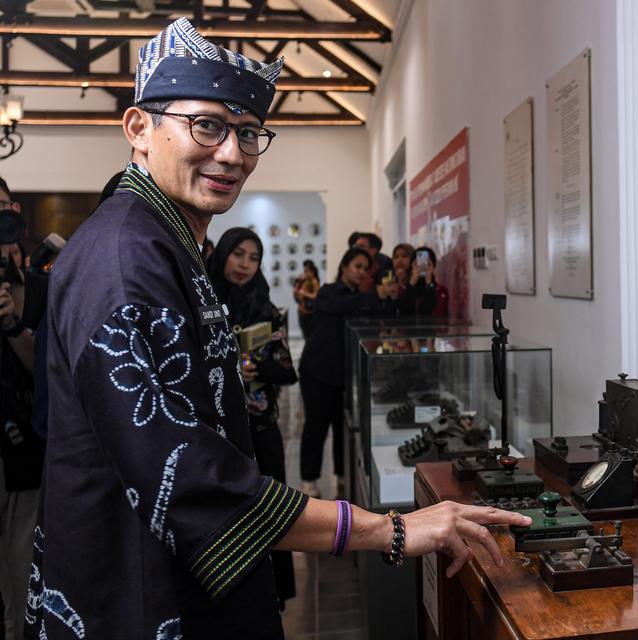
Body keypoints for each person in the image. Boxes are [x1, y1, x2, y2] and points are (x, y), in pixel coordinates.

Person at [28, 18, 529, 640]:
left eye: (247, 133)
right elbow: (184, 477)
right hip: (139, 594)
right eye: (206, 125)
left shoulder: (164, 241)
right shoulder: (125, 258)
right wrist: (392, 529)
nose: (233, 154)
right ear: (139, 128)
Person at [208, 227, 299, 611]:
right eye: (237, 254)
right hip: (214, 432)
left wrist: (253, 366)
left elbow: (286, 369)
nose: (245, 265)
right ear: (223, 254)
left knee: (270, 511)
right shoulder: (201, 300)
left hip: (259, 429)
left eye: (253, 257)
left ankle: (273, 596)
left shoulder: (267, 309)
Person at [297, 248, 397, 499]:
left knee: (342, 427)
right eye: (357, 266)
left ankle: (342, 475)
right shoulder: (328, 291)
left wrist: (387, 297)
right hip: (318, 372)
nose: (361, 272)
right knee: (316, 426)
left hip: (345, 375)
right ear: (344, 266)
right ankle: (308, 480)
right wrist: (374, 295)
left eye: (365, 268)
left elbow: (377, 318)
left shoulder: (363, 298)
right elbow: (338, 305)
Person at [0, 192, 44, 640]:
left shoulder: (34, 285)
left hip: (24, 455)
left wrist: (13, 324)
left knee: (22, 573)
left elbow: (45, 372)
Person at [398, 246, 450, 318]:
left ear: (433, 266)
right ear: (412, 265)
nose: (423, 266)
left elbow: (429, 311)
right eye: (418, 263)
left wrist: (428, 281)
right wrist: (412, 282)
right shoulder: (404, 289)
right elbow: (404, 311)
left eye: (427, 263)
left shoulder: (441, 291)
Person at [293, 259, 320, 338]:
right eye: (304, 271)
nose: (304, 273)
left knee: (309, 335)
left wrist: (304, 293)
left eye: (306, 271)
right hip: (302, 312)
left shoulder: (314, 281)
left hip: (309, 313)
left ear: (312, 272)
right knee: (305, 335)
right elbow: (297, 294)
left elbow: (316, 295)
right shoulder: (304, 281)